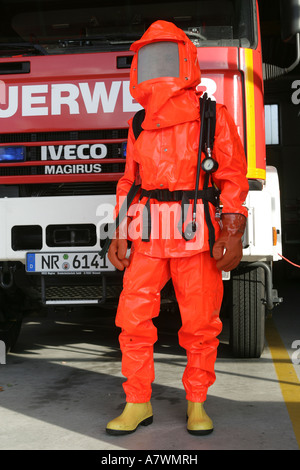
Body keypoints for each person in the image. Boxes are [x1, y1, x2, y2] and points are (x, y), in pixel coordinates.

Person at [105, 20, 249, 436]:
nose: (157, 66)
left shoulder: (212, 115)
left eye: (166, 55)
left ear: (186, 60)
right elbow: (129, 182)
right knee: (132, 322)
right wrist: (119, 231)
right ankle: (137, 403)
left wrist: (232, 230)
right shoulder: (138, 124)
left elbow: (233, 177)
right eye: (150, 57)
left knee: (201, 324)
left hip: (195, 235)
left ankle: (197, 404)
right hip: (147, 235)